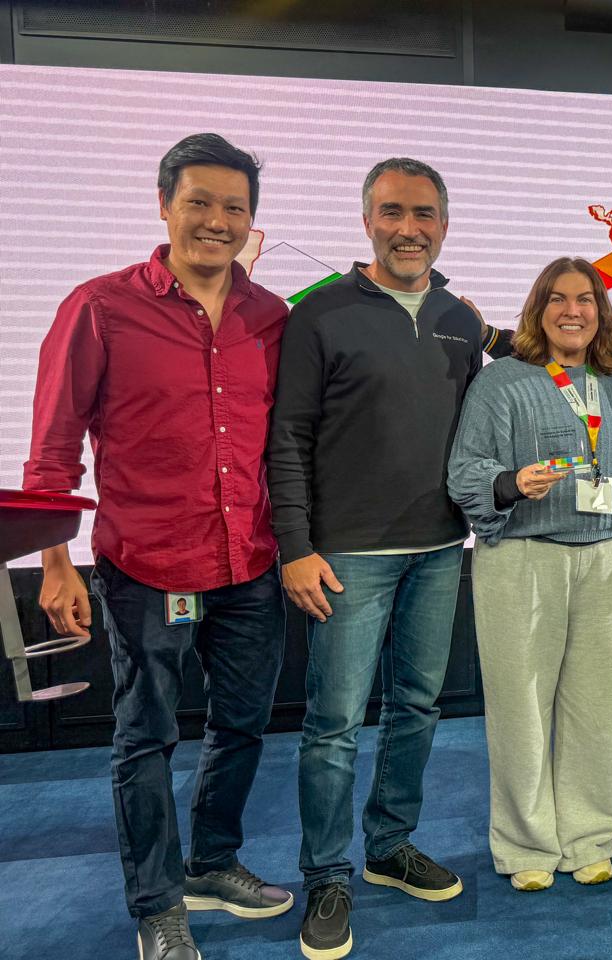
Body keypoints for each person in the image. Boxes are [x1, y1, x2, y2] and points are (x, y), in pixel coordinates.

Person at [24, 133, 292, 960]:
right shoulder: (100, 306)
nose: (217, 221)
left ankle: (212, 863)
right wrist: (56, 562)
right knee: (145, 737)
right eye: (199, 202)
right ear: (165, 205)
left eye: (234, 208)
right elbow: (53, 448)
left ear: (251, 220)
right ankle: (157, 905)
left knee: (242, 724)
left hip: (249, 559)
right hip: (145, 564)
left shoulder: (270, 316)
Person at [267, 158, 482, 960]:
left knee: (416, 708)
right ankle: (327, 875)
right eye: (392, 212)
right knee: (333, 726)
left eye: (423, 214)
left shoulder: (461, 318)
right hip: (347, 557)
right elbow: (287, 437)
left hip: (440, 548)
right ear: (367, 222)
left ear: (444, 226)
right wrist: (296, 547)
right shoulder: (320, 313)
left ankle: (390, 845)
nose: (408, 228)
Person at [449, 257, 612, 892]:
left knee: (596, 707)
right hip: (522, 558)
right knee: (521, 707)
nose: (572, 311)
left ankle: (588, 837)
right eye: (557, 299)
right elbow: (464, 469)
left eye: (585, 300)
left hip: (605, 556)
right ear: (537, 309)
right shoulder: (501, 380)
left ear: (600, 313)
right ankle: (525, 843)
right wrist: (509, 483)